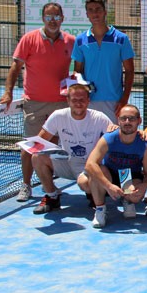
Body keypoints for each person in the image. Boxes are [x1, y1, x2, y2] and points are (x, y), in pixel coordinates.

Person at [0, 2, 74, 202]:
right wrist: (8, 93)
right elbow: (15, 67)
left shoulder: (71, 41)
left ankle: (49, 185)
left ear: (62, 19)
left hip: (61, 105)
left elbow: (78, 70)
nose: (53, 21)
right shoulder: (29, 39)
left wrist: (76, 86)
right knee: (29, 147)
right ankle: (26, 185)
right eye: (49, 17)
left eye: (56, 16)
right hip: (34, 104)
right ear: (43, 18)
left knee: (53, 148)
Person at [30, 84, 114, 214]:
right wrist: (32, 145)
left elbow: (116, 138)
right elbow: (40, 141)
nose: (78, 103)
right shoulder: (58, 116)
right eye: (74, 100)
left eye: (82, 100)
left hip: (87, 166)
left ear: (88, 100)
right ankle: (52, 197)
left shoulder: (100, 118)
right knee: (37, 157)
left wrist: (117, 131)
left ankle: (93, 193)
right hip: (65, 162)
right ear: (68, 100)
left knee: (85, 184)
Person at [84, 105, 147, 228]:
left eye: (132, 119)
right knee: (92, 175)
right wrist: (108, 186)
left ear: (139, 121)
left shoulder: (146, 144)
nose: (127, 122)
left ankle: (127, 200)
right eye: (124, 118)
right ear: (118, 120)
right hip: (109, 175)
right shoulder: (108, 138)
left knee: (135, 197)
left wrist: (144, 186)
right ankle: (100, 209)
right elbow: (90, 164)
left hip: (128, 178)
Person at [72, 0, 135, 122]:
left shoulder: (121, 39)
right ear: (87, 14)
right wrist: (81, 91)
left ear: (105, 12)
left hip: (114, 102)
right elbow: (77, 71)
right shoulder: (80, 40)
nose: (95, 13)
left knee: (112, 139)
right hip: (89, 101)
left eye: (98, 9)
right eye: (90, 10)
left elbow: (129, 71)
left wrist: (124, 99)